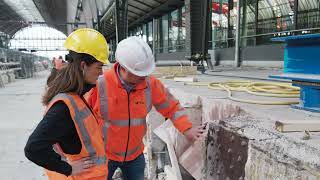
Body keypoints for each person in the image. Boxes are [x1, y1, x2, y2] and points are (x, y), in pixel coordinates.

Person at [88, 36, 204, 180]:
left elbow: (172, 107)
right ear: (124, 68)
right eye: (140, 74)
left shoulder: (150, 85)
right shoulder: (100, 84)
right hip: (104, 155)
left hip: (135, 155)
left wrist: (187, 129)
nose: (144, 77)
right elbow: (82, 120)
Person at [24, 28, 110, 179]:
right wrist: (68, 168)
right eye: (99, 67)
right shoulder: (63, 107)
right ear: (83, 66)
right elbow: (33, 148)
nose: (101, 73)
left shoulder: (76, 96)